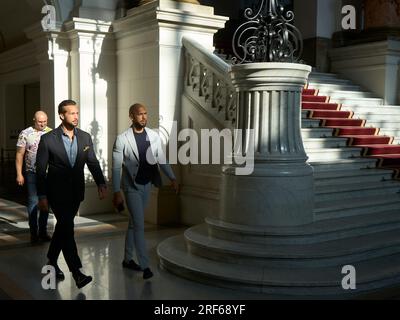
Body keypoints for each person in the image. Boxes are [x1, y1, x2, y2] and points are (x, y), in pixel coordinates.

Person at [36, 100, 108, 289]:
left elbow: (92, 162)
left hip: (76, 192)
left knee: (64, 227)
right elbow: (40, 170)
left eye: (77, 113)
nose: (76, 116)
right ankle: (77, 272)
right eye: (71, 113)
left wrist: (101, 182)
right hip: (56, 192)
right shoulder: (48, 139)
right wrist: (41, 195)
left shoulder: (85, 137)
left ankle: (51, 260)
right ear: (61, 115)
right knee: (67, 227)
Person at [112, 103, 178, 280]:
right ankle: (145, 265)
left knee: (134, 223)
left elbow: (161, 159)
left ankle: (127, 259)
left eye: (145, 113)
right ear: (131, 116)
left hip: (147, 184)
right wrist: (116, 191)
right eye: (139, 114)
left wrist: (172, 177)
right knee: (140, 225)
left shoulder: (153, 136)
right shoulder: (122, 139)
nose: (144, 117)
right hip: (131, 187)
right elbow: (116, 167)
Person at [16, 111, 52, 244]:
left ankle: (43, 231)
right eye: (39, 122)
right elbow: (20, 154)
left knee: (45, 202)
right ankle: (33, 233)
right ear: (34, 120)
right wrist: (19, 173)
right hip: (31, 172)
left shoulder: (51, 132)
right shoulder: (25, 133)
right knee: (32, 202)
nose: (42, 124)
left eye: (45, 121)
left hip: (47, 173)